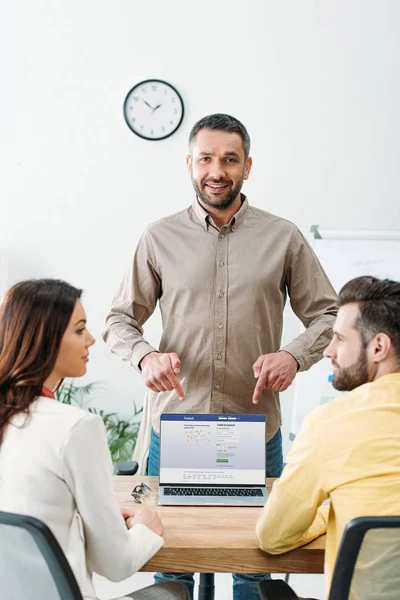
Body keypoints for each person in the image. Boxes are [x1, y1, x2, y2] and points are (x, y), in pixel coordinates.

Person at [103, 113, 337, 600]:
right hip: (177, 431)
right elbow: (119, 320)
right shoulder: (158, 237)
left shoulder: (284, 237)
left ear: (247, 166)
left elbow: (329, 316)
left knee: (255, 565)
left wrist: (294, 356)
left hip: (256, 429)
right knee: (171, 566)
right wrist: (146, 357)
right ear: (189, 164)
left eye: (229, 159)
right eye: (206, 158)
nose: (217, 170)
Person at [0, 279, 189, 600]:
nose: (91, 340)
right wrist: (146, 528)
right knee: (175, 590)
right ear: (44, 338)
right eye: (79, 330)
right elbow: (116, 565)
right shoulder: (75, 427)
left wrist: (93, 513)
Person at [256, 275, 400, 598]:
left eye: (338, 338)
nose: (327, 352)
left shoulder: (330, 424)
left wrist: (328, 513)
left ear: (378, 347)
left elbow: (272, 535)